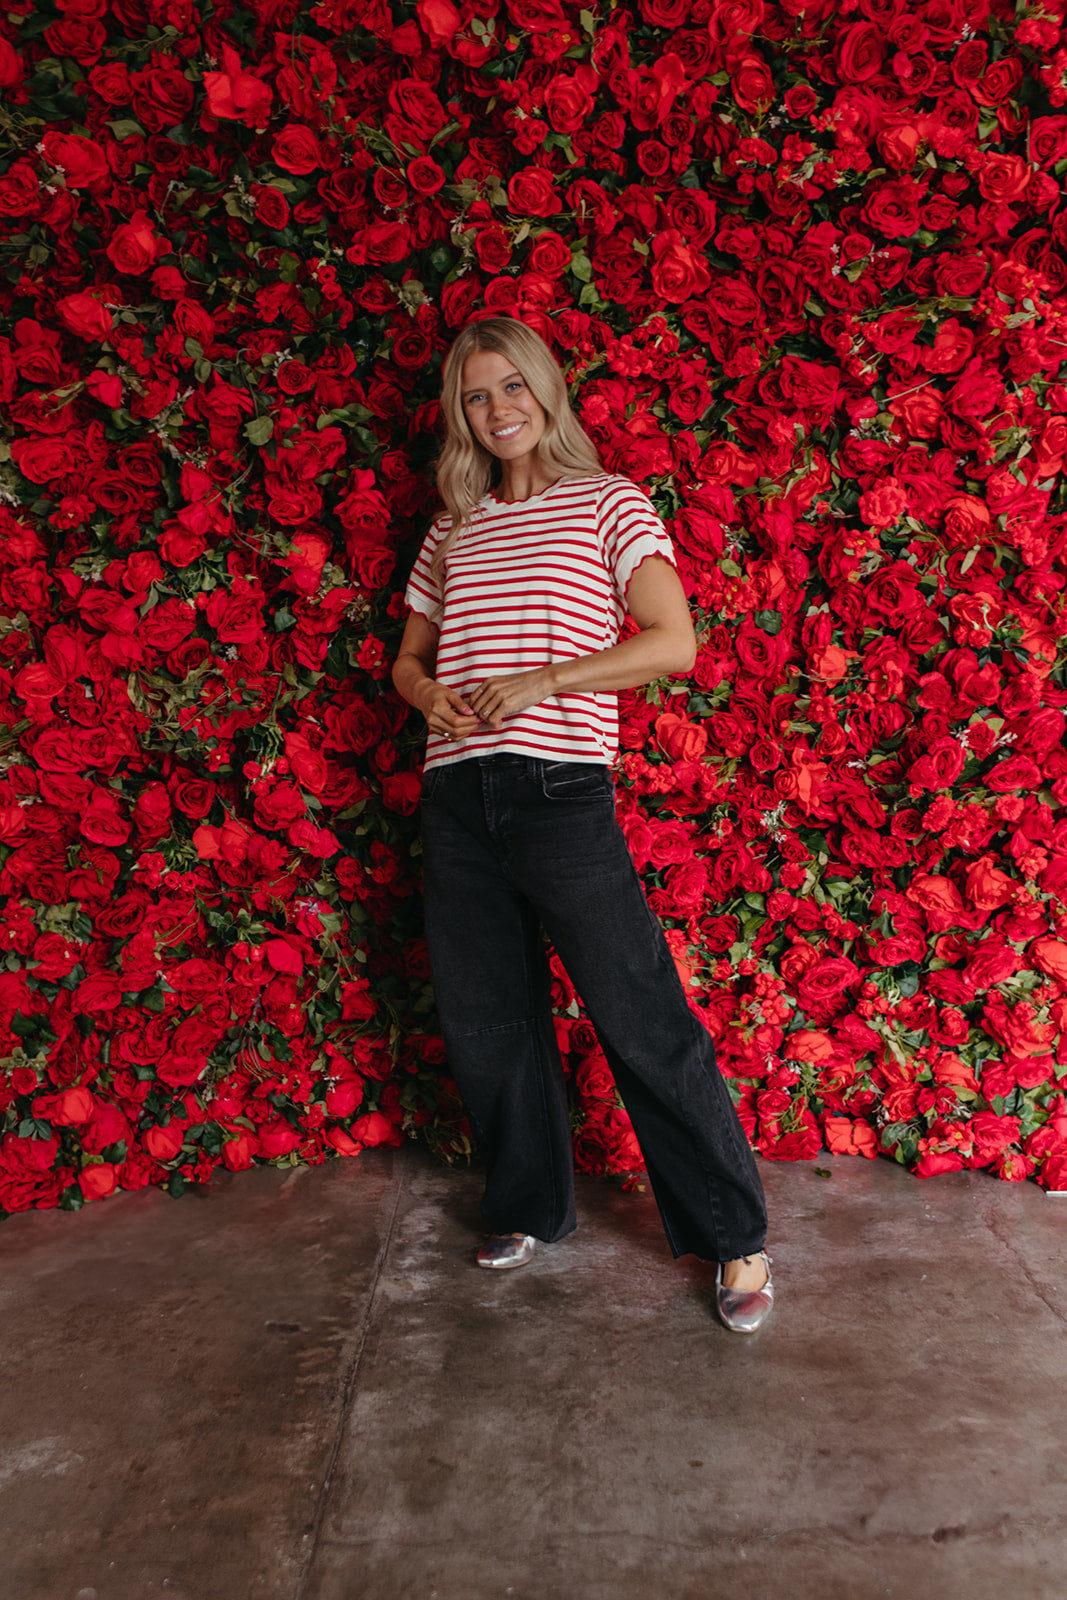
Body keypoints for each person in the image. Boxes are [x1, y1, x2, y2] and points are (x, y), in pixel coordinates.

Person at [391, 314, 773, 1334]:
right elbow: (405, 658)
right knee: (489, 1020)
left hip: (560, 792)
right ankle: (525, 1206)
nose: (497, 409)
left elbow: (673, 641)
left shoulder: (607, 503)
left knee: (639, 1012)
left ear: (545, 392)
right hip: (458, 793)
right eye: (476, 396)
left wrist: (546, 679)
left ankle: (735, 1235)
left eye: (512, 387)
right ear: (459, 415)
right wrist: (424, 692)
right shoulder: (450, 526)